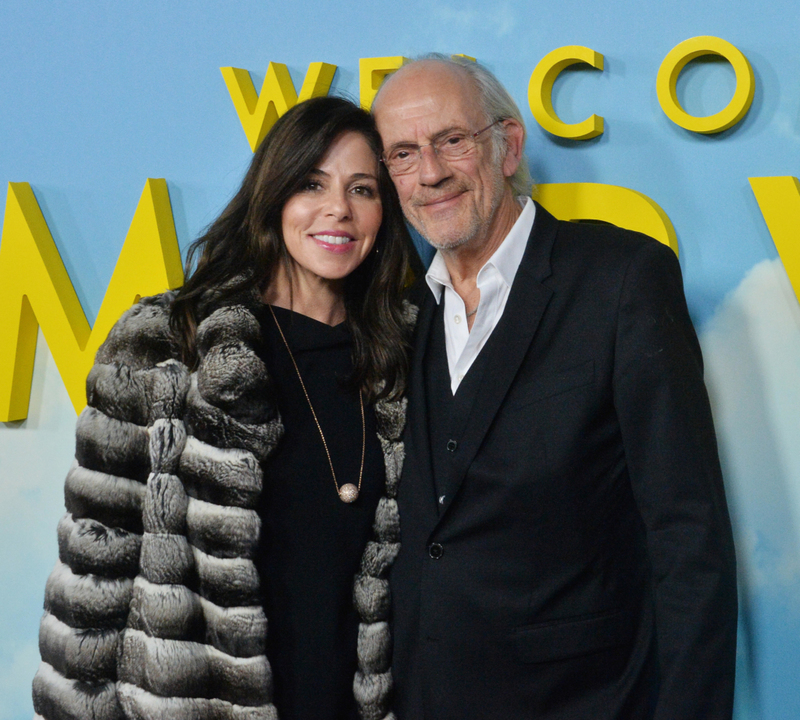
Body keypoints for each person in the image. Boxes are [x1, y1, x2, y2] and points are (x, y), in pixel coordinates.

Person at [372, 55, 738, 719]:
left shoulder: (620, 279)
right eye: (403, 153)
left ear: (508, 145)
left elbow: (689, 541)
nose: (430, 172)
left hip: (586, 703)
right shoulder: (397, 318)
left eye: (452, 140)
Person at [32, 96, 413, 720]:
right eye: (311, 183)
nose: (338, 209)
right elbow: (94, 570)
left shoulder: (403, 360)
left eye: (363, 189)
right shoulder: (167, 341)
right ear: (273, 195)